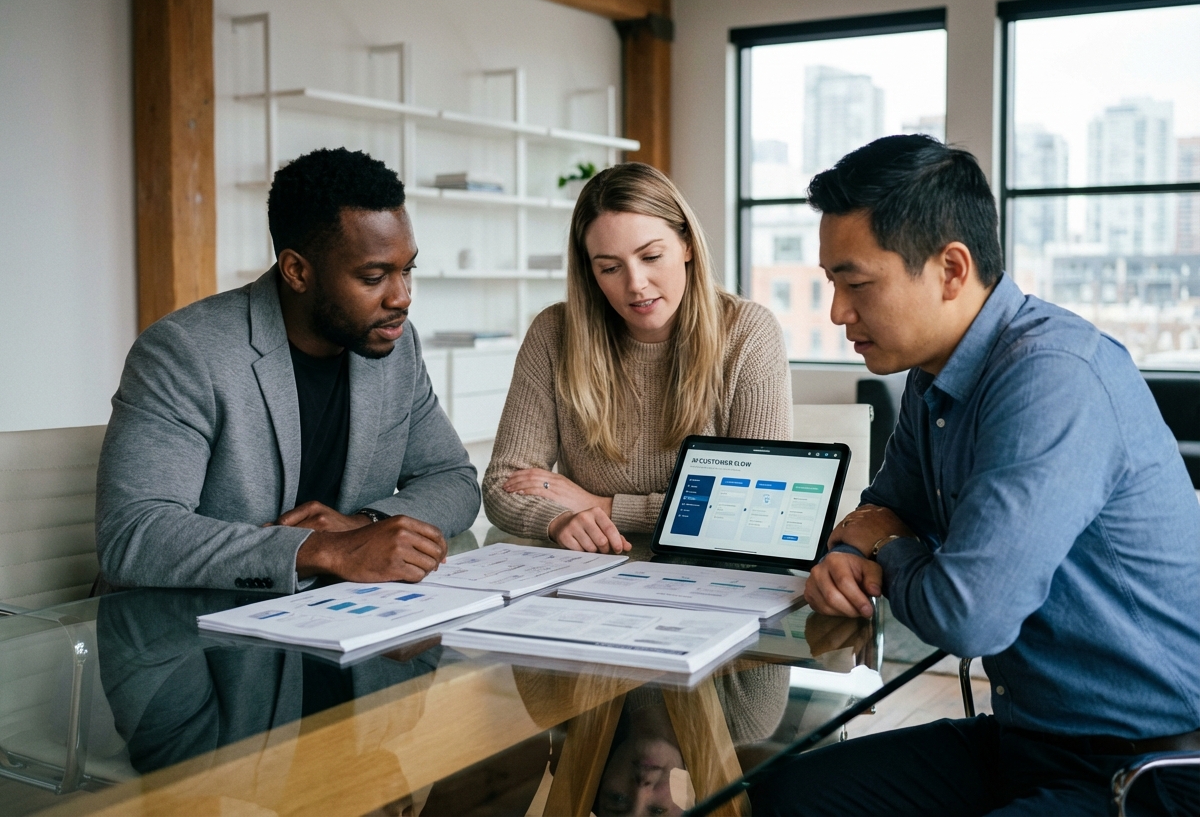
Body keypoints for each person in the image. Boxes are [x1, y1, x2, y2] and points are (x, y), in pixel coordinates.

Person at [751, 135, 1200, 816]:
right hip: (1028, 735)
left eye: (856, 283)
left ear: (951, 269)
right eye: (832, 285)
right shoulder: (933, 380)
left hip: (1149, 762)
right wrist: (849, 547)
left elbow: (969, 617)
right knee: (788, 793)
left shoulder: (1052, 377)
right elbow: (885, 504)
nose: (839, 312)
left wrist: (889, 544)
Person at [96, 148, 479, 593]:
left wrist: (362, 524)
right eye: (374, 278)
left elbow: (453, 480)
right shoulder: (185, 352)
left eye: (407, 270)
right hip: (191, 633)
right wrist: (325, 549)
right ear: (296, 270)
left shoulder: (396, 345)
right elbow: (135, 535)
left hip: (338, 619)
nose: (402, 297)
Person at [482, 162, 792, 552]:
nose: (635, 284)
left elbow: (757, 502)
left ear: (687, 245)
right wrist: (560, 519)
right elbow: (502, 484)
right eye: (610, 267)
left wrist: (602, 506)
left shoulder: (748, 332)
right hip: (590, 574)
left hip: (712, 577)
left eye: (651, 257)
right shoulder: (554, 333)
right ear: (591, 273)